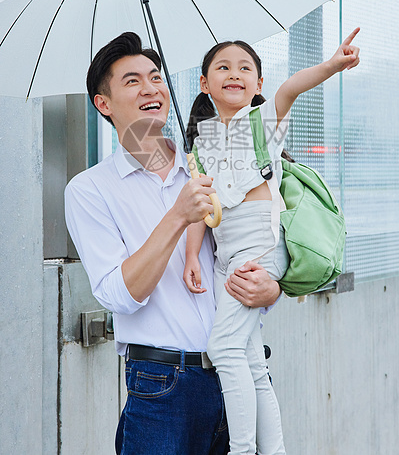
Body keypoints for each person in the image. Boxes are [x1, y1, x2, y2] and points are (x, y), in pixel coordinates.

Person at [64, 31, 282, 455]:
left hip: (238, 374)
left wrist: (271, 289)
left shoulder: (208, 164)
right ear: (103, 104)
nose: (151, 89)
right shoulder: (89, 190)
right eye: (132, 81)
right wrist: (178, 216)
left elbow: (257, 240)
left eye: (156, 77)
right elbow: (119, 294)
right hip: (164, 388)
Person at [183, 29, 360, 455]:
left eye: (245, 68)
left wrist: (332, 65)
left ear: (257, 84)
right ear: (204, 84)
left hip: (260, 244)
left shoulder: (262, 122)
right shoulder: (203, 140)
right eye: (222, 67)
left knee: (223, 347)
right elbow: (199, 206)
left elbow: (291, 87)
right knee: (249, 362)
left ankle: (242, 450)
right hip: (227, 250)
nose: (234, 74)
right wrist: (192, 254)